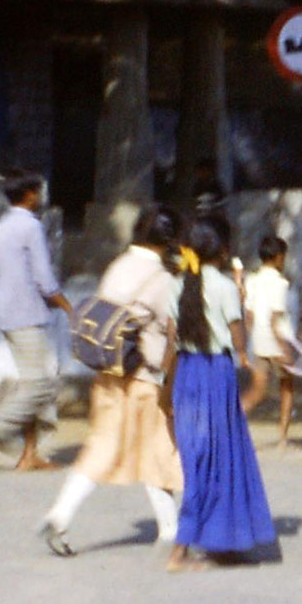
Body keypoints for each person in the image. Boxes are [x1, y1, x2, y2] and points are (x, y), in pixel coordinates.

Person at [39, 205, 186, 557]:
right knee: (159, 450)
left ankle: (60, 514)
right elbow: (173, 330)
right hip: (144, 375)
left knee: (102, 446)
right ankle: (170, 531)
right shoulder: (163, 278)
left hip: (108, 373)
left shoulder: (117, 267)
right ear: (169, 241)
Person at [168, 220, 277, 570]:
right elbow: (236, 333)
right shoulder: (225, 287)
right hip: (216, 373)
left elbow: (171, 336)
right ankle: (187, 547)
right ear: (221, 252)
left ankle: (208, 542)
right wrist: (245, 359)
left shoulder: (177, 285)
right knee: (221, 457)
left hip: (186, 372)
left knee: (196, 456)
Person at [0, 172, 74, 470]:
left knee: (32, 382)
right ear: (28, 195)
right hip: (27, 311)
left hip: (4, 311)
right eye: (37, 193)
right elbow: (44, 277)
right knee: (40, 386)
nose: (39, 198)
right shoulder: (31, 227)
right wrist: (66, 305)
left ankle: (30, 454)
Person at [241, 234, 301, 446]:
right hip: (277, 342)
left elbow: (248, 315)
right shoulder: (280, 284)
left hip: (258, 341)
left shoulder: (251, 280)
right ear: (278, 257)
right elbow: (275, 318)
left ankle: (233, 421)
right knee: (287, 388)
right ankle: (283, 437)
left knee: (257, 391)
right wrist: (285, 348)